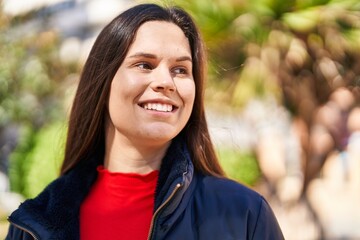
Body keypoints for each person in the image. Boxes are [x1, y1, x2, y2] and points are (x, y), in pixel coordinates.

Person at [6, 3, 284, 240]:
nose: (166, 82)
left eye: (180, 70)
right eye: (144, 65)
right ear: (103, 84)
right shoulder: (34, 223)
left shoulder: (244, 213)